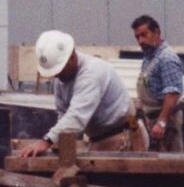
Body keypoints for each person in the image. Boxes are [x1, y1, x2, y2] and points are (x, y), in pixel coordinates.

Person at [18, 31, 132, 159]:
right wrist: (58, 140)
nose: (57, 75)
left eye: (59, 70)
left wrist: (46, 141)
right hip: (97, 138)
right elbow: (64, 116)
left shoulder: (92, 73)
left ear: (72, 58)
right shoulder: (61, 79)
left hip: (121, 136)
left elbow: (77, 116)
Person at [132, 14, 184, 151]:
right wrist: (141, 105)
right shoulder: (149, 58)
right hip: (150, 119)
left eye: (144, 35)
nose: (140, 41)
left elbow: (172, 93)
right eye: (137, 37)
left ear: (157, 32)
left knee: (170, 165)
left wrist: (162, 122)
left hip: (166, 122)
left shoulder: (167, 58)